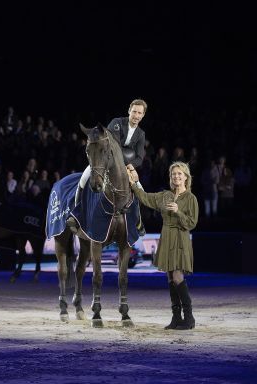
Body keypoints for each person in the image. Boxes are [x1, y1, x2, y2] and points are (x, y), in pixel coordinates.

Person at [127, 161, 199, 330]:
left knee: (177, 276)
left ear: (186, 177)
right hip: (166, 237)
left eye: (179, 174)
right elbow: (146, 198)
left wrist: (178, 212)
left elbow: (192, 223)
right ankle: (176, 317)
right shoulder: (165, 195)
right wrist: (134, 184)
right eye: (174, 174)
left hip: (180, 238)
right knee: (170, 278)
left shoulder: (190, 198)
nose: (176, 176)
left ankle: (189, 317)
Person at [67, 99, 148, 235]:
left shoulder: (141, 134)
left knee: (141, 191)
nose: (136, 115)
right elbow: (114, 147)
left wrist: (131, 167)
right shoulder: (117, 123)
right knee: (83, 179)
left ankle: (138, 221)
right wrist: (126, 165)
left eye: (139, 113)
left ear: (143, 115)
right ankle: (76, 215)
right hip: (104, 161)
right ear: (129, 111)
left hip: (126, 167)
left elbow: (139, 157)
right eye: (134, 111)